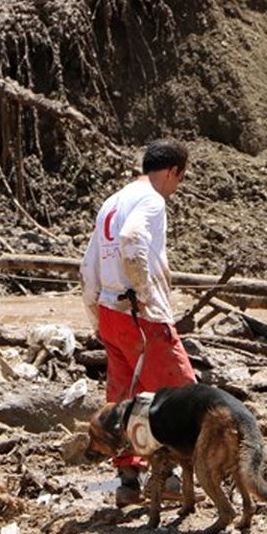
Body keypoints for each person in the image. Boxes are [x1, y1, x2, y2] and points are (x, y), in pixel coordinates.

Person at [80, 138, 196, 506]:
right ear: (173, 170)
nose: (176, 187)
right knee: (181, 394)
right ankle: (173, 478)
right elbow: (132, 239)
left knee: (124, 397)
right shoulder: (151, 200)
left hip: (111, 313)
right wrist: (145, 296)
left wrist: (96, 315)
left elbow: (87, 266)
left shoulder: (111, 202)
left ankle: (127, 481)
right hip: (139, 315)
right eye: (179, 178)